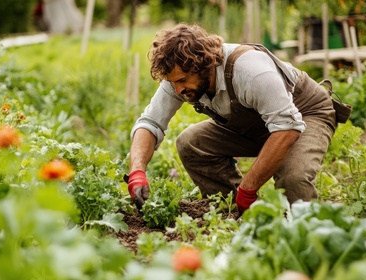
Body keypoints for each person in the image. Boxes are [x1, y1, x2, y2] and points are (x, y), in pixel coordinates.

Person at [126, 23, 346, 214]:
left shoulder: (251, 71)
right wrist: (137, 172)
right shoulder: (179, 76)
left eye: (183, 80)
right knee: (191, 143)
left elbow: (287, 129)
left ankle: (308, 230)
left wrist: (249, 188)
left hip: (304, 116)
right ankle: (232, 212)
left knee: (293, 178)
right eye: (173, 82)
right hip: (262, 124)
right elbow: (151, 122)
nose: (178, 89)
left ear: (203, 65)